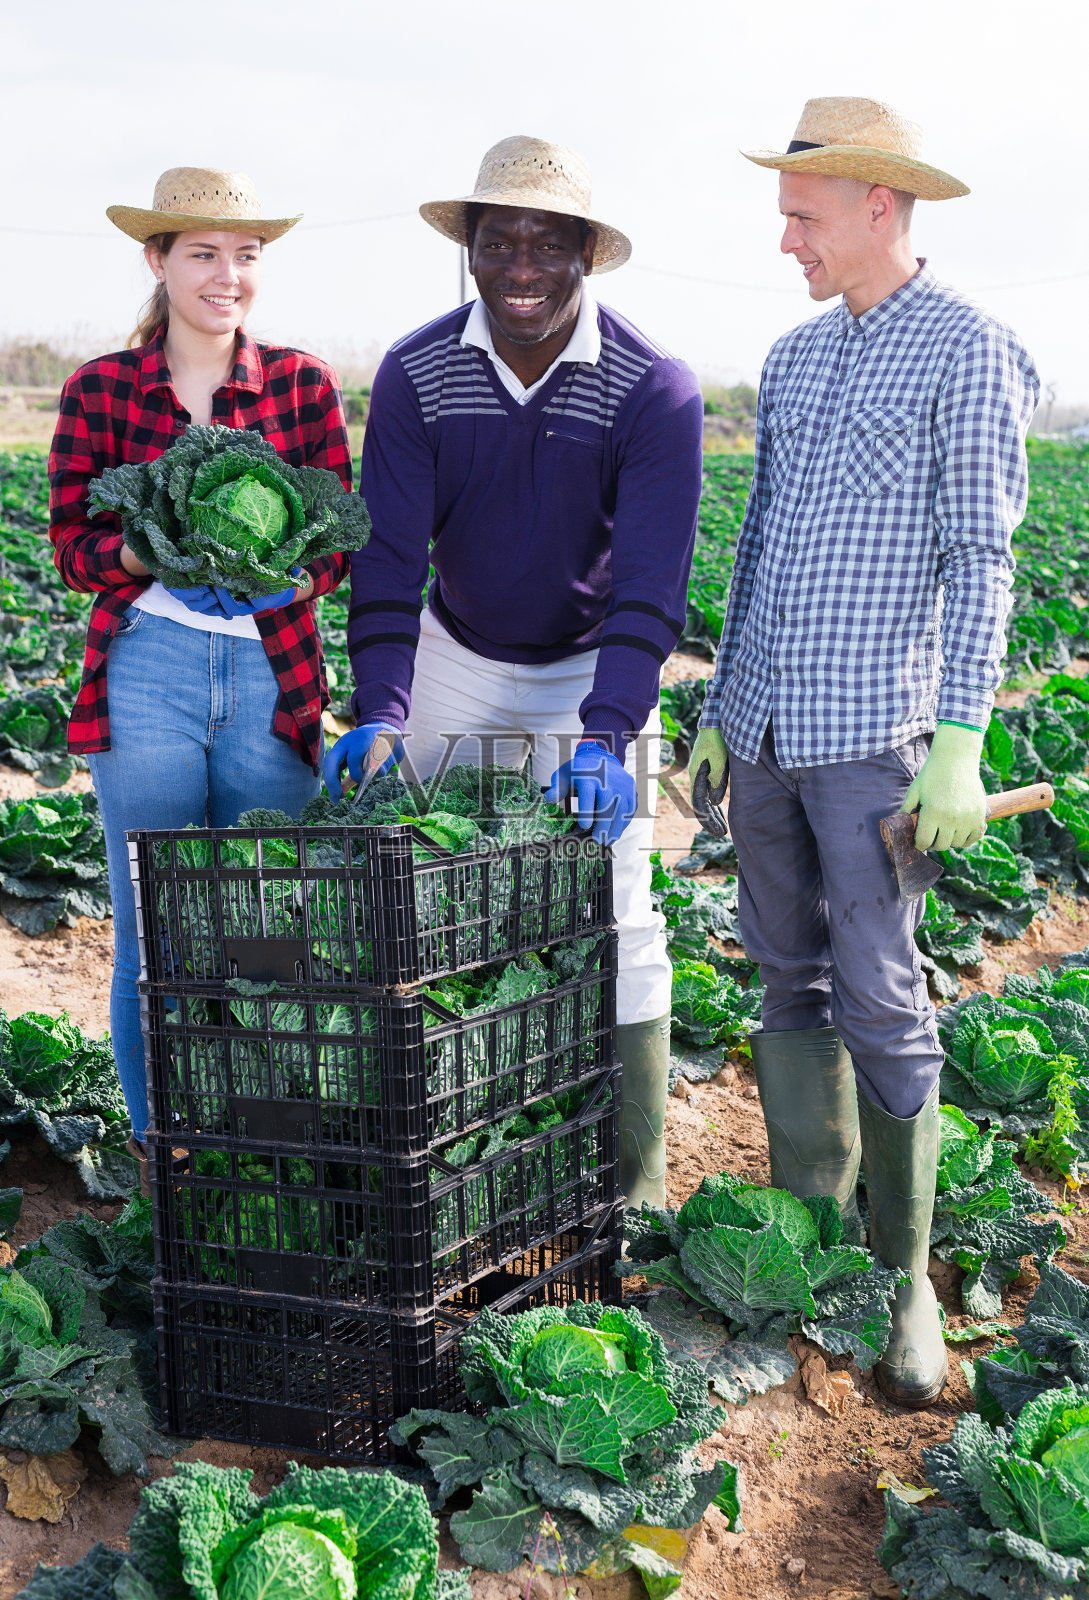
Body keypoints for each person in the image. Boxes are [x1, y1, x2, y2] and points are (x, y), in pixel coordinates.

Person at [690, 98, 1039, 1406]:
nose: (786, 240)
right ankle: (815, 1236)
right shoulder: (792, 359)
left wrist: (961, 740)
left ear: (876, 205)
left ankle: (903, 1282)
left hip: (873, 739)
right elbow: (758, 541)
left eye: (803, 216)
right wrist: (721, 705)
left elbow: (983, 556)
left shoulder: (970, 347)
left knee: (880, 994)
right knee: (785, 978)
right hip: (767, 728)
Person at [325, 135, 704, 1208]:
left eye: (547, 244)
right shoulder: (418, 372)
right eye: (499, 244)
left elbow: (649, 590)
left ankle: (633, 1184)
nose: (521, 268)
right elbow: (387, 561)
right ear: (470, 252)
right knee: (411, 881)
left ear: (586, 252)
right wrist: (382, 708)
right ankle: (424, 1141)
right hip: (454, 651)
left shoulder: (654, 387)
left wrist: (608, 732)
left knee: (620, 903)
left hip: (591, 665)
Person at [48, 167, 353, 1185]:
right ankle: (164, 1151)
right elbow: (71, 545)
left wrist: (280, 576)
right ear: (158, 260)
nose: (228, 275)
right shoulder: (101, 388)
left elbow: (335, 541)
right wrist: (145, 554)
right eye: (204, 254)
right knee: (156, 931)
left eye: (245, 255)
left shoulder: (303, 384)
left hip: (273, 673)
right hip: (147, 673)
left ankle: (264, 1142)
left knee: (267, 936)